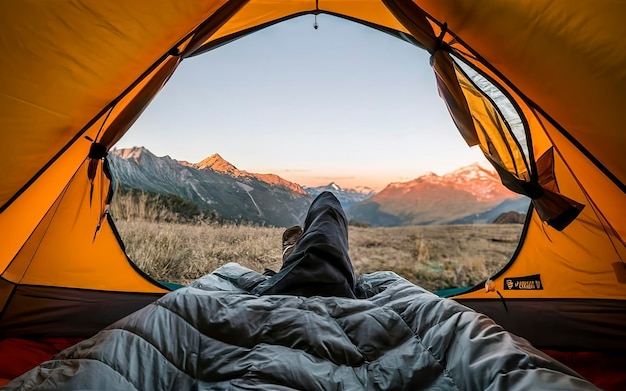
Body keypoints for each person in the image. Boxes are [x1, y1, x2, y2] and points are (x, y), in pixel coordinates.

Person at [253, 191, 357, 299]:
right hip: (341, 291)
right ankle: (333, 252)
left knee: (325, 206)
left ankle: (293, 261)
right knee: (328, 212)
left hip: (288, 290)